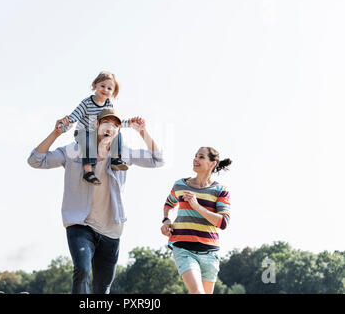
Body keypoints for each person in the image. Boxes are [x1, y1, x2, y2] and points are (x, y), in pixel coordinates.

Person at [27, 108, 164, 294]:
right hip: (80, 224)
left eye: (115, 125)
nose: (110, 127)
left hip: (111, 229)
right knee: (82, 270)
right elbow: (35, 160)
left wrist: (142, 132)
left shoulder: (122, 155)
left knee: (102, 288)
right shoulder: (74, 151)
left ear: (119, 131)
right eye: (106, 122)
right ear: (96, 124)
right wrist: (56, 133)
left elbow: (158, 159)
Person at [160, 147, 231, 294]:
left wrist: (197, 206)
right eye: (195, 156)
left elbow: (223, 222)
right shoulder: (180, 185)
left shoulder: (220, 190)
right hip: (183, 248)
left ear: (212, 163)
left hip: (210, 253)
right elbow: (168, 204)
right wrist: (166, 220)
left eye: (201, 157)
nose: (195, 159)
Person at [58, 71, 135, 186]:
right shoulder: (87, 103)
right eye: (102, 86)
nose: (105, 90)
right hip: (84, 132)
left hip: (99, 133)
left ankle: (115, 159)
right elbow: (75, 116)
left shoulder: (109, 105)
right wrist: (65, 123)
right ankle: (88, 172)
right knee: (89, 140)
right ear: (95, 85)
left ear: (113, 92)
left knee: (117, 134)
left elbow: (114, 123)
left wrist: (130, 123)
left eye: (109, 88)